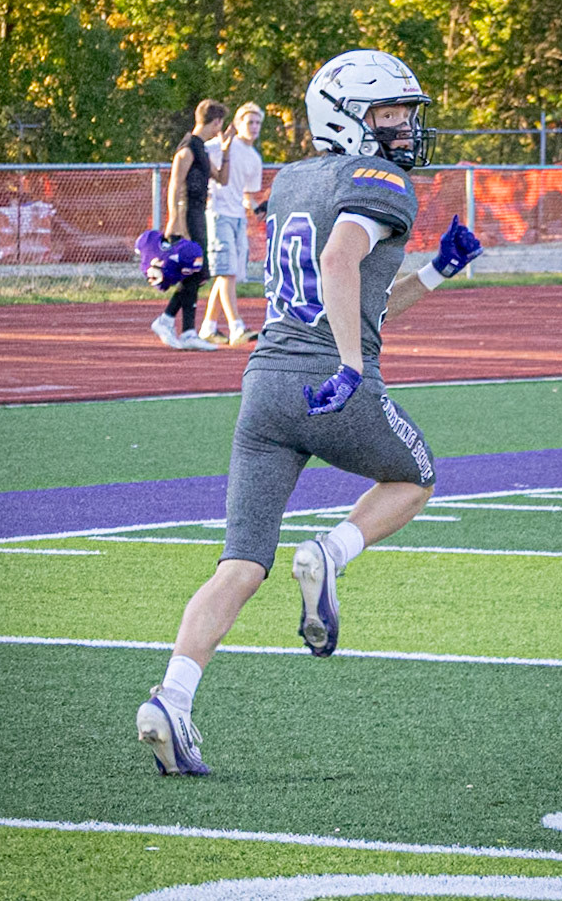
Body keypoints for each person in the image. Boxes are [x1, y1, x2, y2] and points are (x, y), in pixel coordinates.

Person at [136, 48, 482, 775]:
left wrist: (439, 272)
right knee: (414, 479)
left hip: (265, 386)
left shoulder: (293, 178)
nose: (401, 129)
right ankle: (328, 552)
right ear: (347, 117)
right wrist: (353, 367)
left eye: (403, 116)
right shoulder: (379, 179)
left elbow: (360, 293)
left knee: (238, 565)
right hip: (330, 382)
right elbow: (337, 266)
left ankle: (171, 698)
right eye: (387, 113)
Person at [150, 100, 234, 351]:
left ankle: (185, 330)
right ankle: (168, 321)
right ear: (216, 122)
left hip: (199, 213)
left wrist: (226, 149)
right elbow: (175, 184)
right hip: (187, 214)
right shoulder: (187, 148)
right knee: (195, 271)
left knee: (197, 273)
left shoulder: (202, 149)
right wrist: (175, 220)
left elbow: (222, 178)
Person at [198, 101, 265, 347]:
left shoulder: (254, 158)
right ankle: (236, 326)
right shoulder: (220, 146)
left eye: (258, 122)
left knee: (228, 274)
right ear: (237, 125)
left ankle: (208, 327)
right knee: (227, 272)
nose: (254, 127)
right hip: (217, 214)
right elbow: (197, 156)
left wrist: (256, 208)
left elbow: (246, 194)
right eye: (250, 122)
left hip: (237, 216)